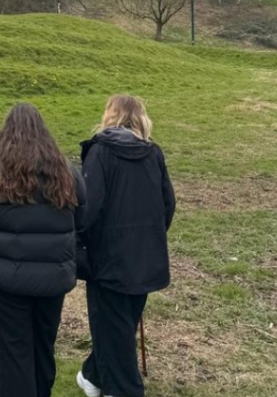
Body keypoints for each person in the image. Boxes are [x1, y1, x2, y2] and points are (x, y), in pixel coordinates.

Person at [0, 103, 85, 397]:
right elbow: (82, 214)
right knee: (43, 344)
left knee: (13, 350)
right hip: (52, 277)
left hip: (8, 278)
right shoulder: (66, 172)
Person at [76, 95, 176, 397]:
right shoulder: (152, 153)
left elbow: (88, 209)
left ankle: (123, 389)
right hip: (144, 256)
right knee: (118, 327)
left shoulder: (102, 153)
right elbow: (167, 205)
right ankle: (93, 377)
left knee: (116, 326)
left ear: (111, 116)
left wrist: (81, 240)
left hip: (109, 259)